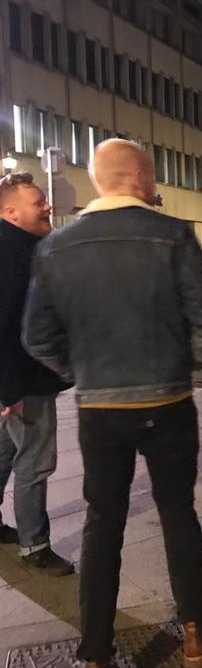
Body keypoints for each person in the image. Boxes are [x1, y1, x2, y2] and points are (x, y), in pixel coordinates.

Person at [22, 140, 202, 668]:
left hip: (100, 408)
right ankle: (194, 631)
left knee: (101, 524)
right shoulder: (170, 235)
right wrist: (190, 366)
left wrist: (80, 373)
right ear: (137, 178)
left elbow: (37, 337)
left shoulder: (56, 248)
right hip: (167, 398)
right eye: (153, 175)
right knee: (177, 511)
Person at [0, 172, 74, 574]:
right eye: (38, 201)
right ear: (11, 212)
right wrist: (10, 389)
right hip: (24, 381)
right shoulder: (12, 254)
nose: (47, 206)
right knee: (35, 461)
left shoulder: (25, 247)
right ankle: (35, 545)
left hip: (19, 379)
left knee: (7, 451)